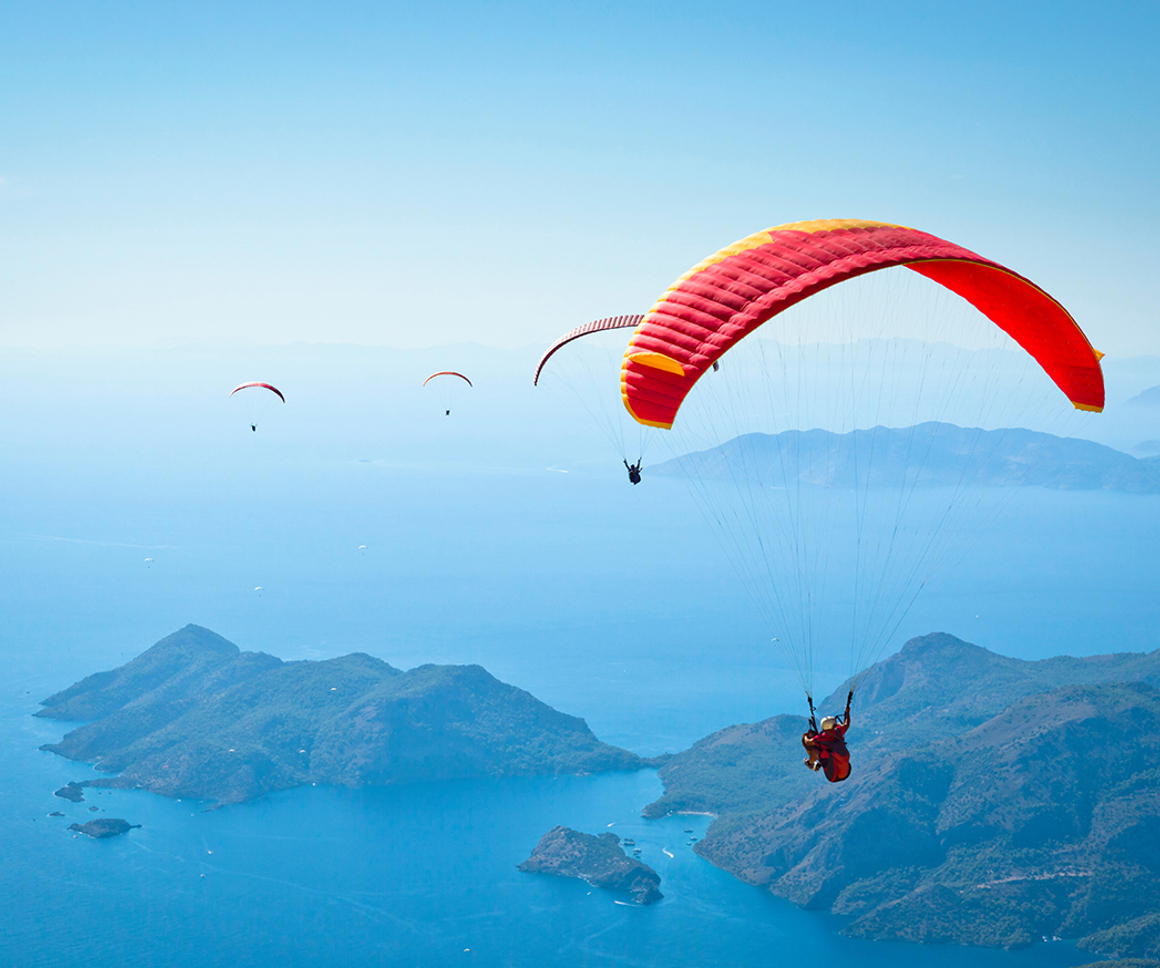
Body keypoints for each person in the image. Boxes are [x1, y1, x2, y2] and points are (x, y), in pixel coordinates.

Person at [802, 691, 853, 783]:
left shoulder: (821, 737)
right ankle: (820, 762)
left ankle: (810, 764)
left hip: (833, 776)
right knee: (826, 751)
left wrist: (805, 736)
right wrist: (847, 712)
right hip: (845, 772)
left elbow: (808, 742)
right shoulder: (838, 731)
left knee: (815, 750)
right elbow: (846, 723)